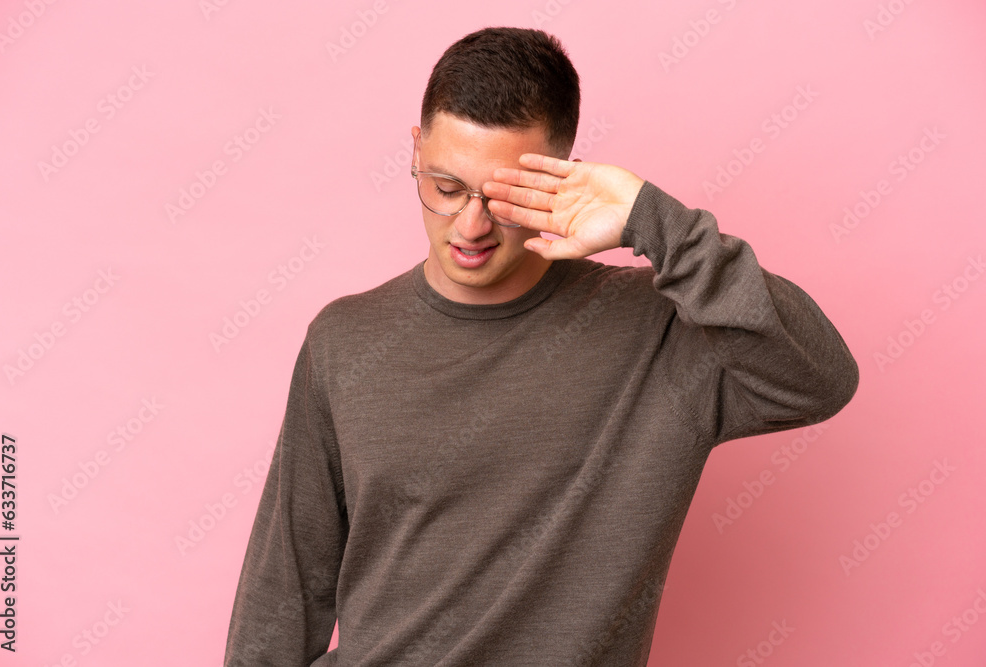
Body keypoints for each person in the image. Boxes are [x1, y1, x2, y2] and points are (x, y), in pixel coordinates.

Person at [224, 26, 859, 667]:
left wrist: (654, 221)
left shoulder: (661, 335)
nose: (470, 227)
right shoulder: (343, 342)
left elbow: (821, 377)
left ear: (562, 178)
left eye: (503, 199)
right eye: (446, 187)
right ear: (415, 150)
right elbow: (285, 592)